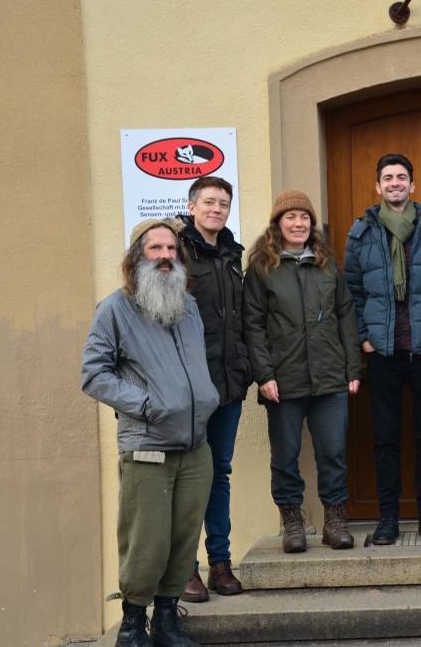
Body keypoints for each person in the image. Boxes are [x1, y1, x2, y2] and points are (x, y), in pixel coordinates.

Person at [81, 218, 219, 647]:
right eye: (154, 248)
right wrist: (145, 405)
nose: (164, 256)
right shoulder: (114, 310)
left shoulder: (187, 305)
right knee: (147, 541)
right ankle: (132, 626)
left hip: (196, 445)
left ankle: (166, 621)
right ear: (136, 255)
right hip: (147, 447)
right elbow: (93, 374)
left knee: (182, 540)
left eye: (171, 249)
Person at [344, 153, 421, 545]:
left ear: (413, 185)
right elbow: (351, 293)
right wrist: (364, 338)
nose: (395, 183)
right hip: (383, 354)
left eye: (402, 177)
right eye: (388, 178)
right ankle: (387, 518)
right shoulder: (360, 232)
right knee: (385, 439)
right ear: (378, 186)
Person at [242, 190, 362, 553]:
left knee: (333, 452)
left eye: (304, 218)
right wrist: (264, 375)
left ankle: (335, 521)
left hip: (329, 376)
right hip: (284, 378)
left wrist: (352, 367)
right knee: (286, 455)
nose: (298, 224)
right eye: (291, 217)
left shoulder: (327, 263)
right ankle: (292, 523)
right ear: (278, 224)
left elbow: (345, 315)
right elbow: (253, 325)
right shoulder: (262, 268)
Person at [176, 176, 252, 602]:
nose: (216, 209)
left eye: (223, 203)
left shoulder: (232, 255)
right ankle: (187, 568)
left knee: (219, 474)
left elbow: (240, 320)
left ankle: (220, 563)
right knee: (189, 477)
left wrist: (244, 370)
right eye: (208, 202)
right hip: (189, 389)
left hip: (228, 385)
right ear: (192, 206)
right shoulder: (176, 252)